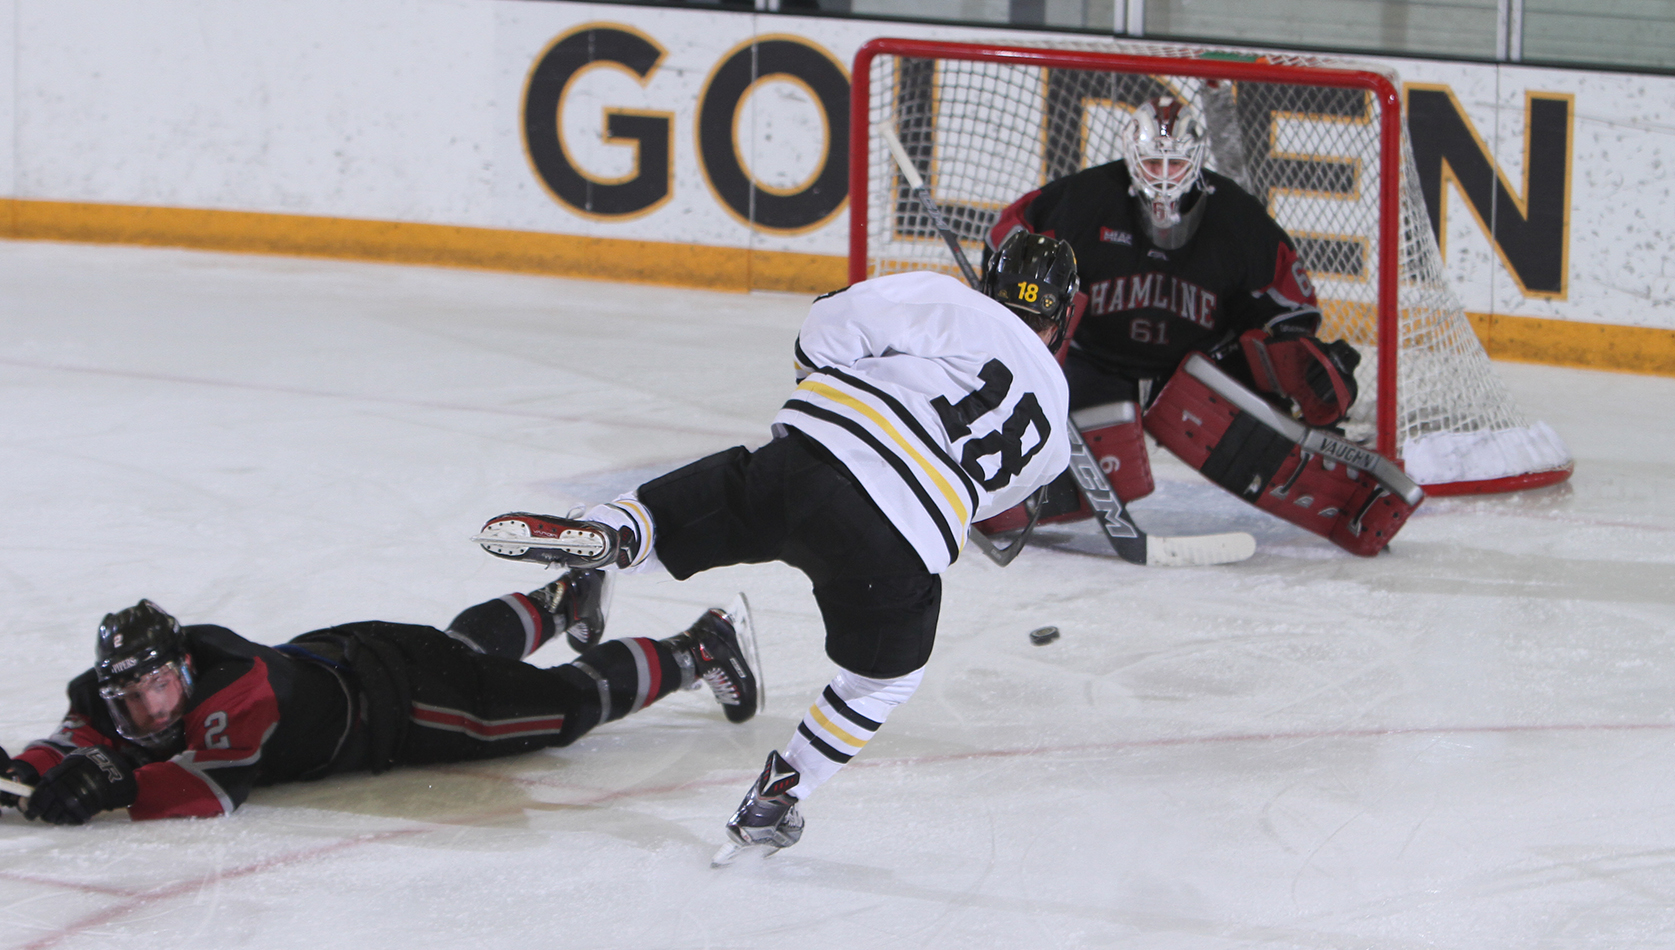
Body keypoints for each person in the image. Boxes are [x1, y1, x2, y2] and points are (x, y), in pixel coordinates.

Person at [473, 231, 1077, 864]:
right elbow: (991, 503)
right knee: (882, 681)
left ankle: (615, 532)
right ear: (1061, 314)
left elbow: (830, 320)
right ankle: (779, 796)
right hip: (901, 542)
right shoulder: (1055, 428)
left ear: (992, 280)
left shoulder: (949, 297)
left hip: (816, 458)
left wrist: (823, 393)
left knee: (716, 502)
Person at [0, 570, 759, 825]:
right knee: (465, 652)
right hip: (360, 652)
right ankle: (561, 599)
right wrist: (27, 770)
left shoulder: (238, 690)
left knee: (559, 709)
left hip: (408, 706)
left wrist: (114, 789)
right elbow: (74, 743)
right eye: (133, 695)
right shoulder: (111, 696)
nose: (151, 707)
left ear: (183, 671)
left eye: (160, 684)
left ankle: (698, 649)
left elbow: (213, 786)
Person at [978, 94, 1372, 545]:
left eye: (1175, 163)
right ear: (1131, 155)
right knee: (1065, 446)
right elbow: (1008, 239)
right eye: (1152, 162)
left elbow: (1290, 304)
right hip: (1092, 359)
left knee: (1270, 430)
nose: (1163, 175)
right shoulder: (1085, 199)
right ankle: (993, 495)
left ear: (1197, 158)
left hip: (1201, 368)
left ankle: (1344, 498)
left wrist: (1297, 354)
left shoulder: (1236, 217)